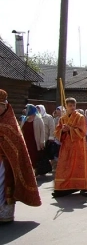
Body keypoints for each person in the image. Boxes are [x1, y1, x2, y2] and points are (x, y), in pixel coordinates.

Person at [0, 89, 41, 223]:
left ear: (5, 106)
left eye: (0, 106)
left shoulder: (11, 123)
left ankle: (4, 214)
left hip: (6, 163)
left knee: (3, 186)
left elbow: (15, 142)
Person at [53, 98, 87, 198]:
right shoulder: (62, 118)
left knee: (78, 166)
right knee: (65, 166)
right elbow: (57, 132)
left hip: (78, 146)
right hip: (66, 146)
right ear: (66, 106)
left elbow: (83, 131)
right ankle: (64, 186)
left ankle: (82, 185)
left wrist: (70, 129)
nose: (72, 108)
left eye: (73, 105)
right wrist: (63, 130)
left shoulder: (80, 117)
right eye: (70, 106)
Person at [20, 104, 45, 174]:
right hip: (26, 141)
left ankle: (33, 172)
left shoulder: (38, 119)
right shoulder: (25, 119)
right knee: (26, 157)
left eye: (27, 108)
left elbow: (42, 131)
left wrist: (42, 141)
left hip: (34, 142)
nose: (25, 110)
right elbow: (21, 129)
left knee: (33, 157)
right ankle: (27, 172)